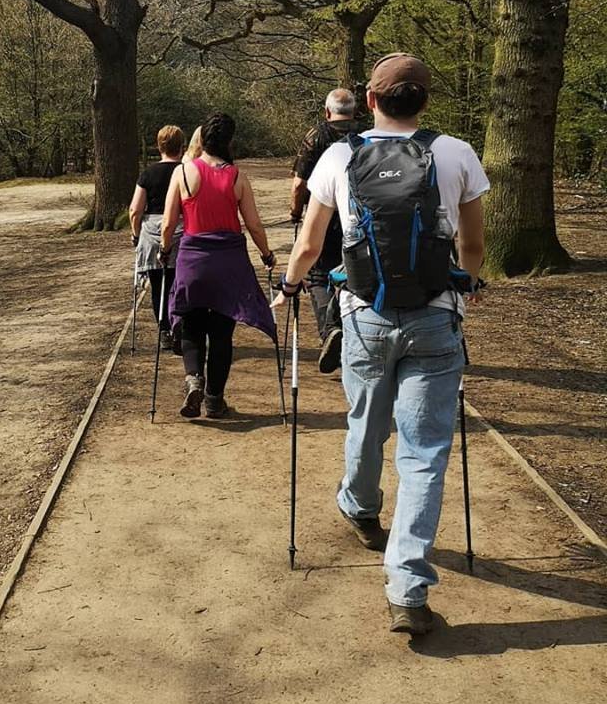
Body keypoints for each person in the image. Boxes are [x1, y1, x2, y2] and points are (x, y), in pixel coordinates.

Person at [273, 53, 488, 635]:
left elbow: (311, 243)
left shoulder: (339, 156)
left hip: (365, 315)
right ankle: (408, 590)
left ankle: (360, 506)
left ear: (370, 100)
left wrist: (289, 287)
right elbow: (472, 244)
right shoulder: (456, 152)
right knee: (425, 452)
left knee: (366, 421)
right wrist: (464, 290)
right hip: (435, 317)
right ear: (424, 100)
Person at [161, 112, 277, 419]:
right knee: (222, 332)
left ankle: (193, 379)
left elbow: (169, 223)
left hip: (193, 259)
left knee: (191, 324)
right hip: (229, 261)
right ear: (229, 141)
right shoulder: (237, 176)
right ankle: (214, 399)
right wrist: (267, 254)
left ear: (202, 140)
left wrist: (164, 249)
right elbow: (253, 223)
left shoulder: (183, 173)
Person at [290, 88, 361, 374]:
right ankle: (352, 333)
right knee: (354, 273)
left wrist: (296, 212)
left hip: (323, 216)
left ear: (327, 111)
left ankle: (330, 331)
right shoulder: (366, 135)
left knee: (318, 276)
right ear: (354, 111)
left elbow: (299, 183)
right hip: (356, 217)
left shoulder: (316, 136)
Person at [130, 125, 186, 352]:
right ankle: (179, 324)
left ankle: (163, 329)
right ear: (181, 147)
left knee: (157, 285)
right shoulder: (186, 172)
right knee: (180, 283)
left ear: (158, 146)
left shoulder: (147, 174)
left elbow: (135, 210)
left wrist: (135, 235)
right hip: (183, 231)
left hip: (152, 234)